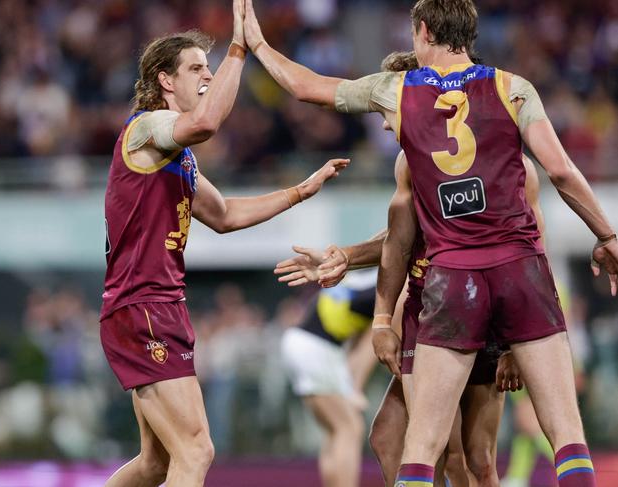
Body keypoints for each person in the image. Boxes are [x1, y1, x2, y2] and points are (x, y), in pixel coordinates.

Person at [243, 2, 618, 484]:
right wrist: (607, 236)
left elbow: (304, 87)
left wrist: (257, 45)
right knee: (566, 435)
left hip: (453, 279)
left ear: (422, 31)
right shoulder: (513, 87)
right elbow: (563, 170)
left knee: (423, 446)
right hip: (521, 269)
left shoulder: (398, 89)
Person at [99, 4, 350, 486]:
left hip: (154, 306)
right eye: (196, 69)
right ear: (164, 80)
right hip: (144, 306)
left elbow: (226, 216)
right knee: (196, 451)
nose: (207, 78)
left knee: (158, 463)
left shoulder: (180, 157)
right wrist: (241, 46)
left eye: (209, 69)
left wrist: (300, 190)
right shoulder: (146, 128)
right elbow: (208, 123)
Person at [281, 269, 380, 487]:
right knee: (350, 428)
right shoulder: (393, 287)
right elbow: (370, 343)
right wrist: (355, 387)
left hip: (301, 341)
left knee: (335, 429)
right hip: (318, 347)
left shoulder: (369, 276)